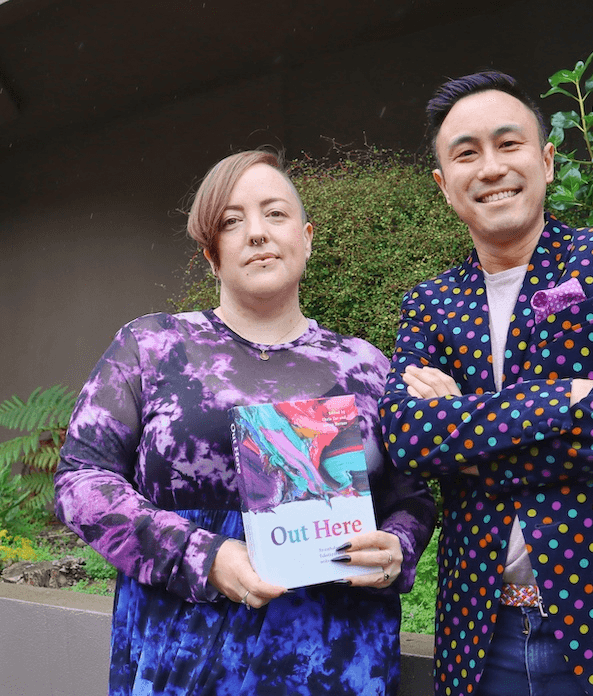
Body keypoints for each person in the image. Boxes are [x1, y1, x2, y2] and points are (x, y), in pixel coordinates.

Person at [379, 71, 593, 696]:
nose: (490, 168)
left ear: (546, 160)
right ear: (443, 184)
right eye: (466, 153)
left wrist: (470, 430)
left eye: (509, 145)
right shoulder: (428, 303)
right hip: (483, 635)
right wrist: (569, 395)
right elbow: (408, 436)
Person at [54, 149, 436, 696]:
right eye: (232, 222)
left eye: (275, 214)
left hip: (336, 662)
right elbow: (80, 482)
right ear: (212, 255)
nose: (257, 233)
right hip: (180, 662)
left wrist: (398, 545)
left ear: (306, 237)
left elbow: (413, 497)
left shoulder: (367, 368)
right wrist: (201, 555)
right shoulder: (152, 346)